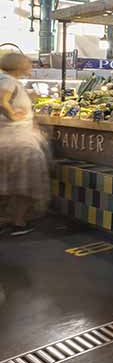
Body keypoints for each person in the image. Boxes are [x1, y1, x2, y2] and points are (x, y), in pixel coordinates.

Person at [0, 53, 49, 236]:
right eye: (28, 63)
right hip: (16, 141)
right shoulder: (8, 80)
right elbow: (2, 100)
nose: (30, 66)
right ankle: (17, 223)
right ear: (19, 65)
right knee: (26, 180)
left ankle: (9, 220)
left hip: (8, 139)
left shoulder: (7, 79)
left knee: (8, 184)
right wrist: (13, 115)